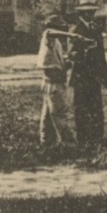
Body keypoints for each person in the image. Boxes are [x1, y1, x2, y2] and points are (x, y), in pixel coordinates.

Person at [68, 0, 107, 150]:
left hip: (95, 75)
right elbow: (71, 54)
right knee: (81, 108)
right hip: (81, 75)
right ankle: (83, 138)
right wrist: (83, 51)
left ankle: (97, 137)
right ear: (80, 13)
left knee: (96, 107)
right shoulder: (75, 30)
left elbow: (101, 54)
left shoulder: (97, 29)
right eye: (86, 12)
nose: (89, 14)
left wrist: (105, 74)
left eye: (92, 11)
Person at [36, 15, 75, 148]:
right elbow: (51, 32)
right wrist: (73, 35)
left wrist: (69, 61)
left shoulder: (56, 43)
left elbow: (60, 64)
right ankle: (70, 144)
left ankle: (46, 143)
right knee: (59, 114)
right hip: (53, 83)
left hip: (52, 82)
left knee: (47, 117)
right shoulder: (48, 35)